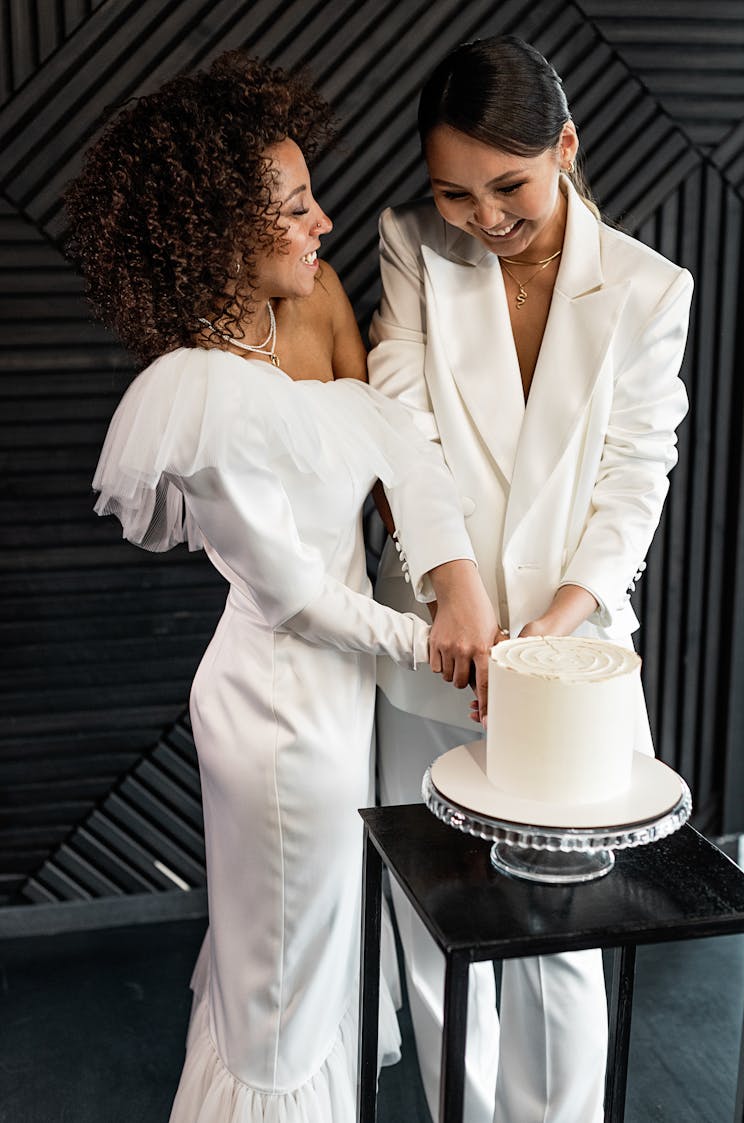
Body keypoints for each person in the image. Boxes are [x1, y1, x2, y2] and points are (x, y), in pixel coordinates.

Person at [65, 51, 499, 1122]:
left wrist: (458, 588)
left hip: (341, 696)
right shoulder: (197, 390)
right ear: (221, 231)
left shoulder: (316, 305)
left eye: (312, 197)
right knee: (283, 980)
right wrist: (431, 641)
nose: (325, 224)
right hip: (277, 711)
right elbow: (297, 598)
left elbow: (400, 448)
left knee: (314, 944)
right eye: (297, 207)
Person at [369, 33, 692, 1123]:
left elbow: (635, 475)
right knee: (435, 913)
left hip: (572, 655)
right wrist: (451, 581)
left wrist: (552, 634)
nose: (485, 216)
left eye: (508, 185)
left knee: (563, 925)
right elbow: (401, 423)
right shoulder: (411, 244)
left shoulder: (650, 290)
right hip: (437, 643)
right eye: (454, 192)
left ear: (565, 146)